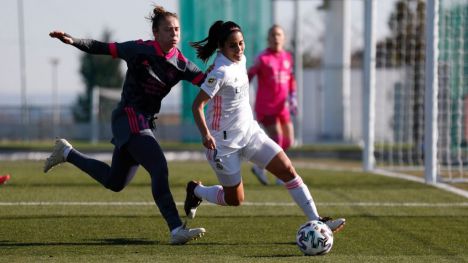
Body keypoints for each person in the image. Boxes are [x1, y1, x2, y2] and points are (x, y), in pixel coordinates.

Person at [44, 5, 206, 245]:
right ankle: (175, 228)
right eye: (168, 30)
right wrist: (73, 41)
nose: (174, 34)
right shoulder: (139, 49)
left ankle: (66, 152)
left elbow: (207, 83)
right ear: (155, 32)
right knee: (158, 166)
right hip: (128, 116)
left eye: (177, 30)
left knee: (115, 182)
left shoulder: (181, 63)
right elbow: (102, 47)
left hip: (144, 122)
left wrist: (228, 71)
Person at [184, 20, 346, 233]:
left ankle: (317, 220)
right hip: (223, 144)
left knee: (288, 170)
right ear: (221, 47)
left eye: (241, 43)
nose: (239, 49)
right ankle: (196, 191)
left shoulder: (240, 60)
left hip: (250, 133)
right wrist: (205, 134)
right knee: (235, 199)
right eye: (233, 45)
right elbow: (197, 106)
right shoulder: (220, 71)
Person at [248, 25, 297, 185]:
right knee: (277, 139)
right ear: (268, 39)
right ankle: (280, 174)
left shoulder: (288, 57)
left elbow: (290, 79)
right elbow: (250, 75)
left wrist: (293, 97)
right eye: (273, 35)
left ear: (284, 38)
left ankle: (260, 167)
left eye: (279, 34)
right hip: (267, 106)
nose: (276, 37)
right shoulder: (263, 58)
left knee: (288, 141)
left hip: (282, 107)